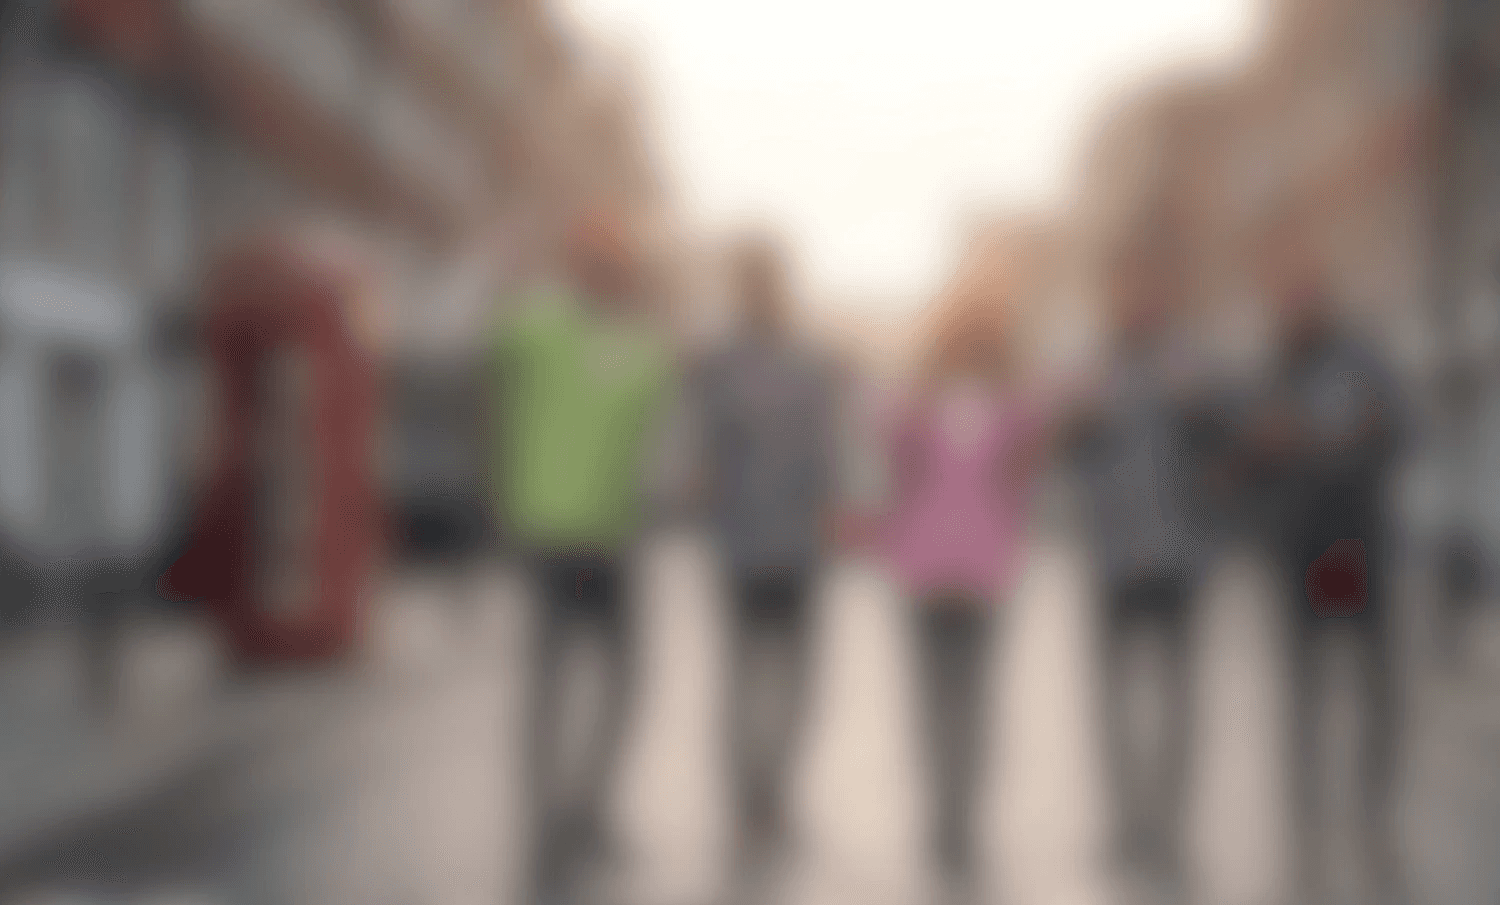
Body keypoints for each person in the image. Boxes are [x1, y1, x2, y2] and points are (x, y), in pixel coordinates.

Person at [486, 207, 674, 903]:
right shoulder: (644, 346)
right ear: (623, 276)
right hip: (606, 535)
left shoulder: (534, 324)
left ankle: (549, 814)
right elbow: (659, 436)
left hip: (544, 530)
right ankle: (584, 807)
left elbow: (491, 362)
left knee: (550, 679)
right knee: (621, 677)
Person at [1241, 211, 1407, 905]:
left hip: (1358, 542)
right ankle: (1306, 813)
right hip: (1300, 548)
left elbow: (1397, 426)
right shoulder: (1268, 367)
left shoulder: (1363, 358)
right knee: (1302, 687)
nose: (1299, 307)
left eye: (1307, 293)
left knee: (1375, 685)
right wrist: (1268, 448)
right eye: (1289, 296)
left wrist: (1328, 439)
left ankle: (1371, 807)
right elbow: (1247, 454)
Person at [1063, 230, 1230, 898]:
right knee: (1112, 699)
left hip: (1182, 556)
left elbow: (1231, 444)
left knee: (1181, 697)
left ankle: (1169, 819)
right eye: (1127, 283)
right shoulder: (1088, 366)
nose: (1138, 296)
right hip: (1112, 556)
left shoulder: (1199, 362)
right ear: (1113, 291)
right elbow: (1062, 452)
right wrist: (1078, 423)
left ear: (1168, 291)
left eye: (1149, 283)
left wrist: (1203, 418)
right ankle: (1127, 819)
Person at [879, 277, 1044, 898]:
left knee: (973, 701)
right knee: (932, 702)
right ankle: (941, 818)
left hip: (984, 568)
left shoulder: (1018, 402)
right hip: (924, 566)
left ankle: (963, 820)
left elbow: (1027, 475)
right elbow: (895, 468)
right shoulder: (914, 401)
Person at [692, 234, 841, 888]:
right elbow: (697, 454)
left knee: (794, 682)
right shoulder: (714, 365)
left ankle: (772, 787)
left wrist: (834, 512)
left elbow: (832, 452)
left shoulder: (815, 365)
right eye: (752, 282)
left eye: (768, 282)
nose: (761, 294)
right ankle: (750, 798)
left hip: (799, 546)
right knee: (746, 676)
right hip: (742, 545)